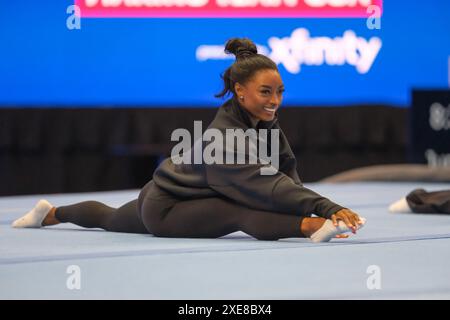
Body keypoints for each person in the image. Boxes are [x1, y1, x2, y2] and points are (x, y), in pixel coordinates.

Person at [12, 38, 365, 242]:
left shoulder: (265, 123)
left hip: (170, 195)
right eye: (265, 92)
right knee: (242, 212)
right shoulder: (224, 137)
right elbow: (267, 187)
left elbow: (287, 172)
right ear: (240, 91)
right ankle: (308, 231)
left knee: (109, 218)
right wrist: (320, 210)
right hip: (167, 208)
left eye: (280, 92)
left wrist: (307, 201)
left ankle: (50, 213)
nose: (275, 100)